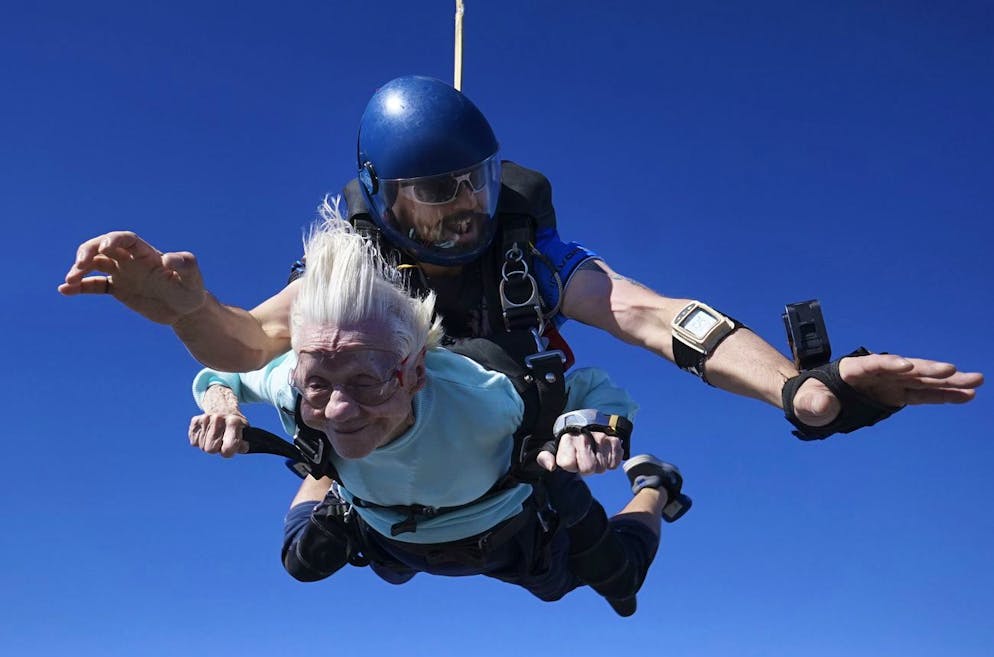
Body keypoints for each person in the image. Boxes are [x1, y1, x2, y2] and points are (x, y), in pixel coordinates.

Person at [59, 75, 983, 449]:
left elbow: (654, 315)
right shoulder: (355, 259)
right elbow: (251, 339)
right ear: (383, 197)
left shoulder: (525, 251)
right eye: (437, 192)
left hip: (521, 460)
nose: (466, 209)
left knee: (571, 538)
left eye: (478, 182)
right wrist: (185, 308)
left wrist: (803, 391)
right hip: (384, 450)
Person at [189, 214, 687, 616]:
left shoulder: (484, 397)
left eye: (367, 382)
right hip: (384, 529)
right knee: (302, 561)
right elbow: (223, 372)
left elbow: (593, 388)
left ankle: (653, 484)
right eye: (319, 382)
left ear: (415, 374)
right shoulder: (296, 380)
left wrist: (593, 425)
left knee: (621, 584)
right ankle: (330, 470)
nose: (339, 404)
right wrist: (222, 405)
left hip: (506, 528)